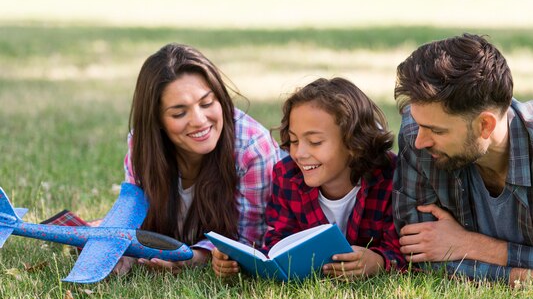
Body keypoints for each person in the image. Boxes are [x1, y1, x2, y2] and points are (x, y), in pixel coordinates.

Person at [393, 33, 533, 285]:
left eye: (437, 130)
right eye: (420, 125)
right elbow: (419, 255)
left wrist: (471, 245)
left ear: (485, 125)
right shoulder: (415, 134)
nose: (420, 141)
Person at [47, 43, 283, 276]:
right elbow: (134, 214)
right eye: (179, 113)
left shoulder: (253, 149)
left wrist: (194, 258)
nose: (199, 120)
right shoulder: (143, 144)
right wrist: (123, 253)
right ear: (157, 120)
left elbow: (250, 239)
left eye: (207, 102)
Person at [213, 77, 405, 278]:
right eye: (294, 140)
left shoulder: (390, 178)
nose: (300, 153)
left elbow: (405, 252)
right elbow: (279, 244)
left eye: (315, 142)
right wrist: (237, 261)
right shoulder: (287, 175)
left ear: (354, 143)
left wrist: (379, 262)